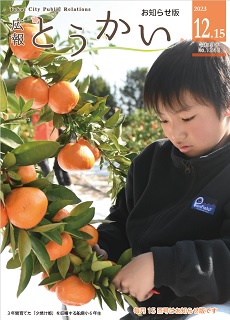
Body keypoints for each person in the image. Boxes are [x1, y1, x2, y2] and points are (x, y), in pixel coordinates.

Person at [95, 40, 230, 319]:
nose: (175, 133)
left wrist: (162, 266)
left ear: (226, 106)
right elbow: (123, 221)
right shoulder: (150, 162)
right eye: (164, 119)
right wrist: (101, 247)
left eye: (187, 117)